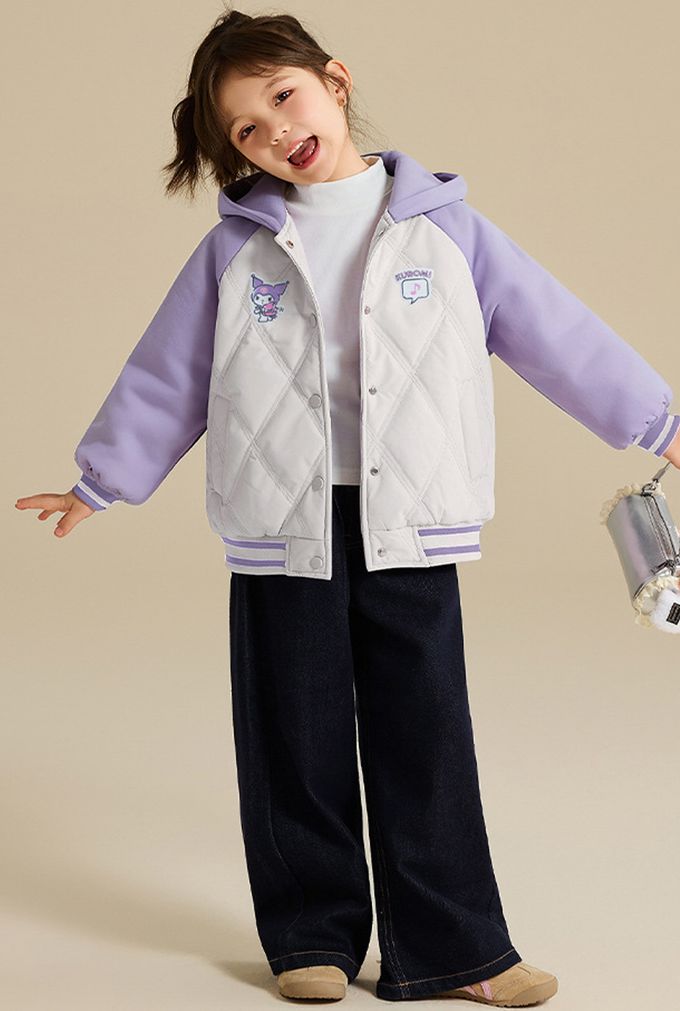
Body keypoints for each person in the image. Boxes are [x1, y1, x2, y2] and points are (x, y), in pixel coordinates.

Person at [14, 7, 680, 1006]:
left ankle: (458, 948)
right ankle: (309, 936)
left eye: (284, 97)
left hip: (409, 516)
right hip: (281, 522)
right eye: (246, 129)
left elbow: (557, 334)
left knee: (426, 731)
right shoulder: (234, 250)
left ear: (335, 80)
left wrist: (660, 423)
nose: (275, 131)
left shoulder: (447, 230)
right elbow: (168, 373)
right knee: (294, 731)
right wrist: (99, 480)